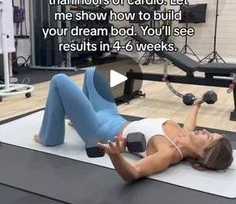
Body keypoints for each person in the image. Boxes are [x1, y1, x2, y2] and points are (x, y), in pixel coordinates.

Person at [35, 68, 233, 182]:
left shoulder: (167, 153)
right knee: (92, 72)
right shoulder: (184, 135)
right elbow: (191, 124)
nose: (205, 131)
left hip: (98, 130)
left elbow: (134, 173)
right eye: (210, 132)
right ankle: (76, 118)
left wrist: (116, 156)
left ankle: (49, 137)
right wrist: (197, 105)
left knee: (59, 80)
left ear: (202, 155)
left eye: (208, 137)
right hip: (112, 115)